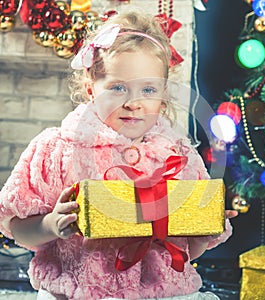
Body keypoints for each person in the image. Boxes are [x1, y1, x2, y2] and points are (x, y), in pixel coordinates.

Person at [0, 10, 237, 300]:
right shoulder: (57, 149)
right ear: (90, 89)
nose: (133, 103)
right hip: (75, 293)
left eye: (148, 89)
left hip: (158, 294)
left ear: (163, 95)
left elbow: (187, 253)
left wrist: (202, 232)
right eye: (117, 88)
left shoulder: (178, 155)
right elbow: (17, 228)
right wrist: (49, 225)